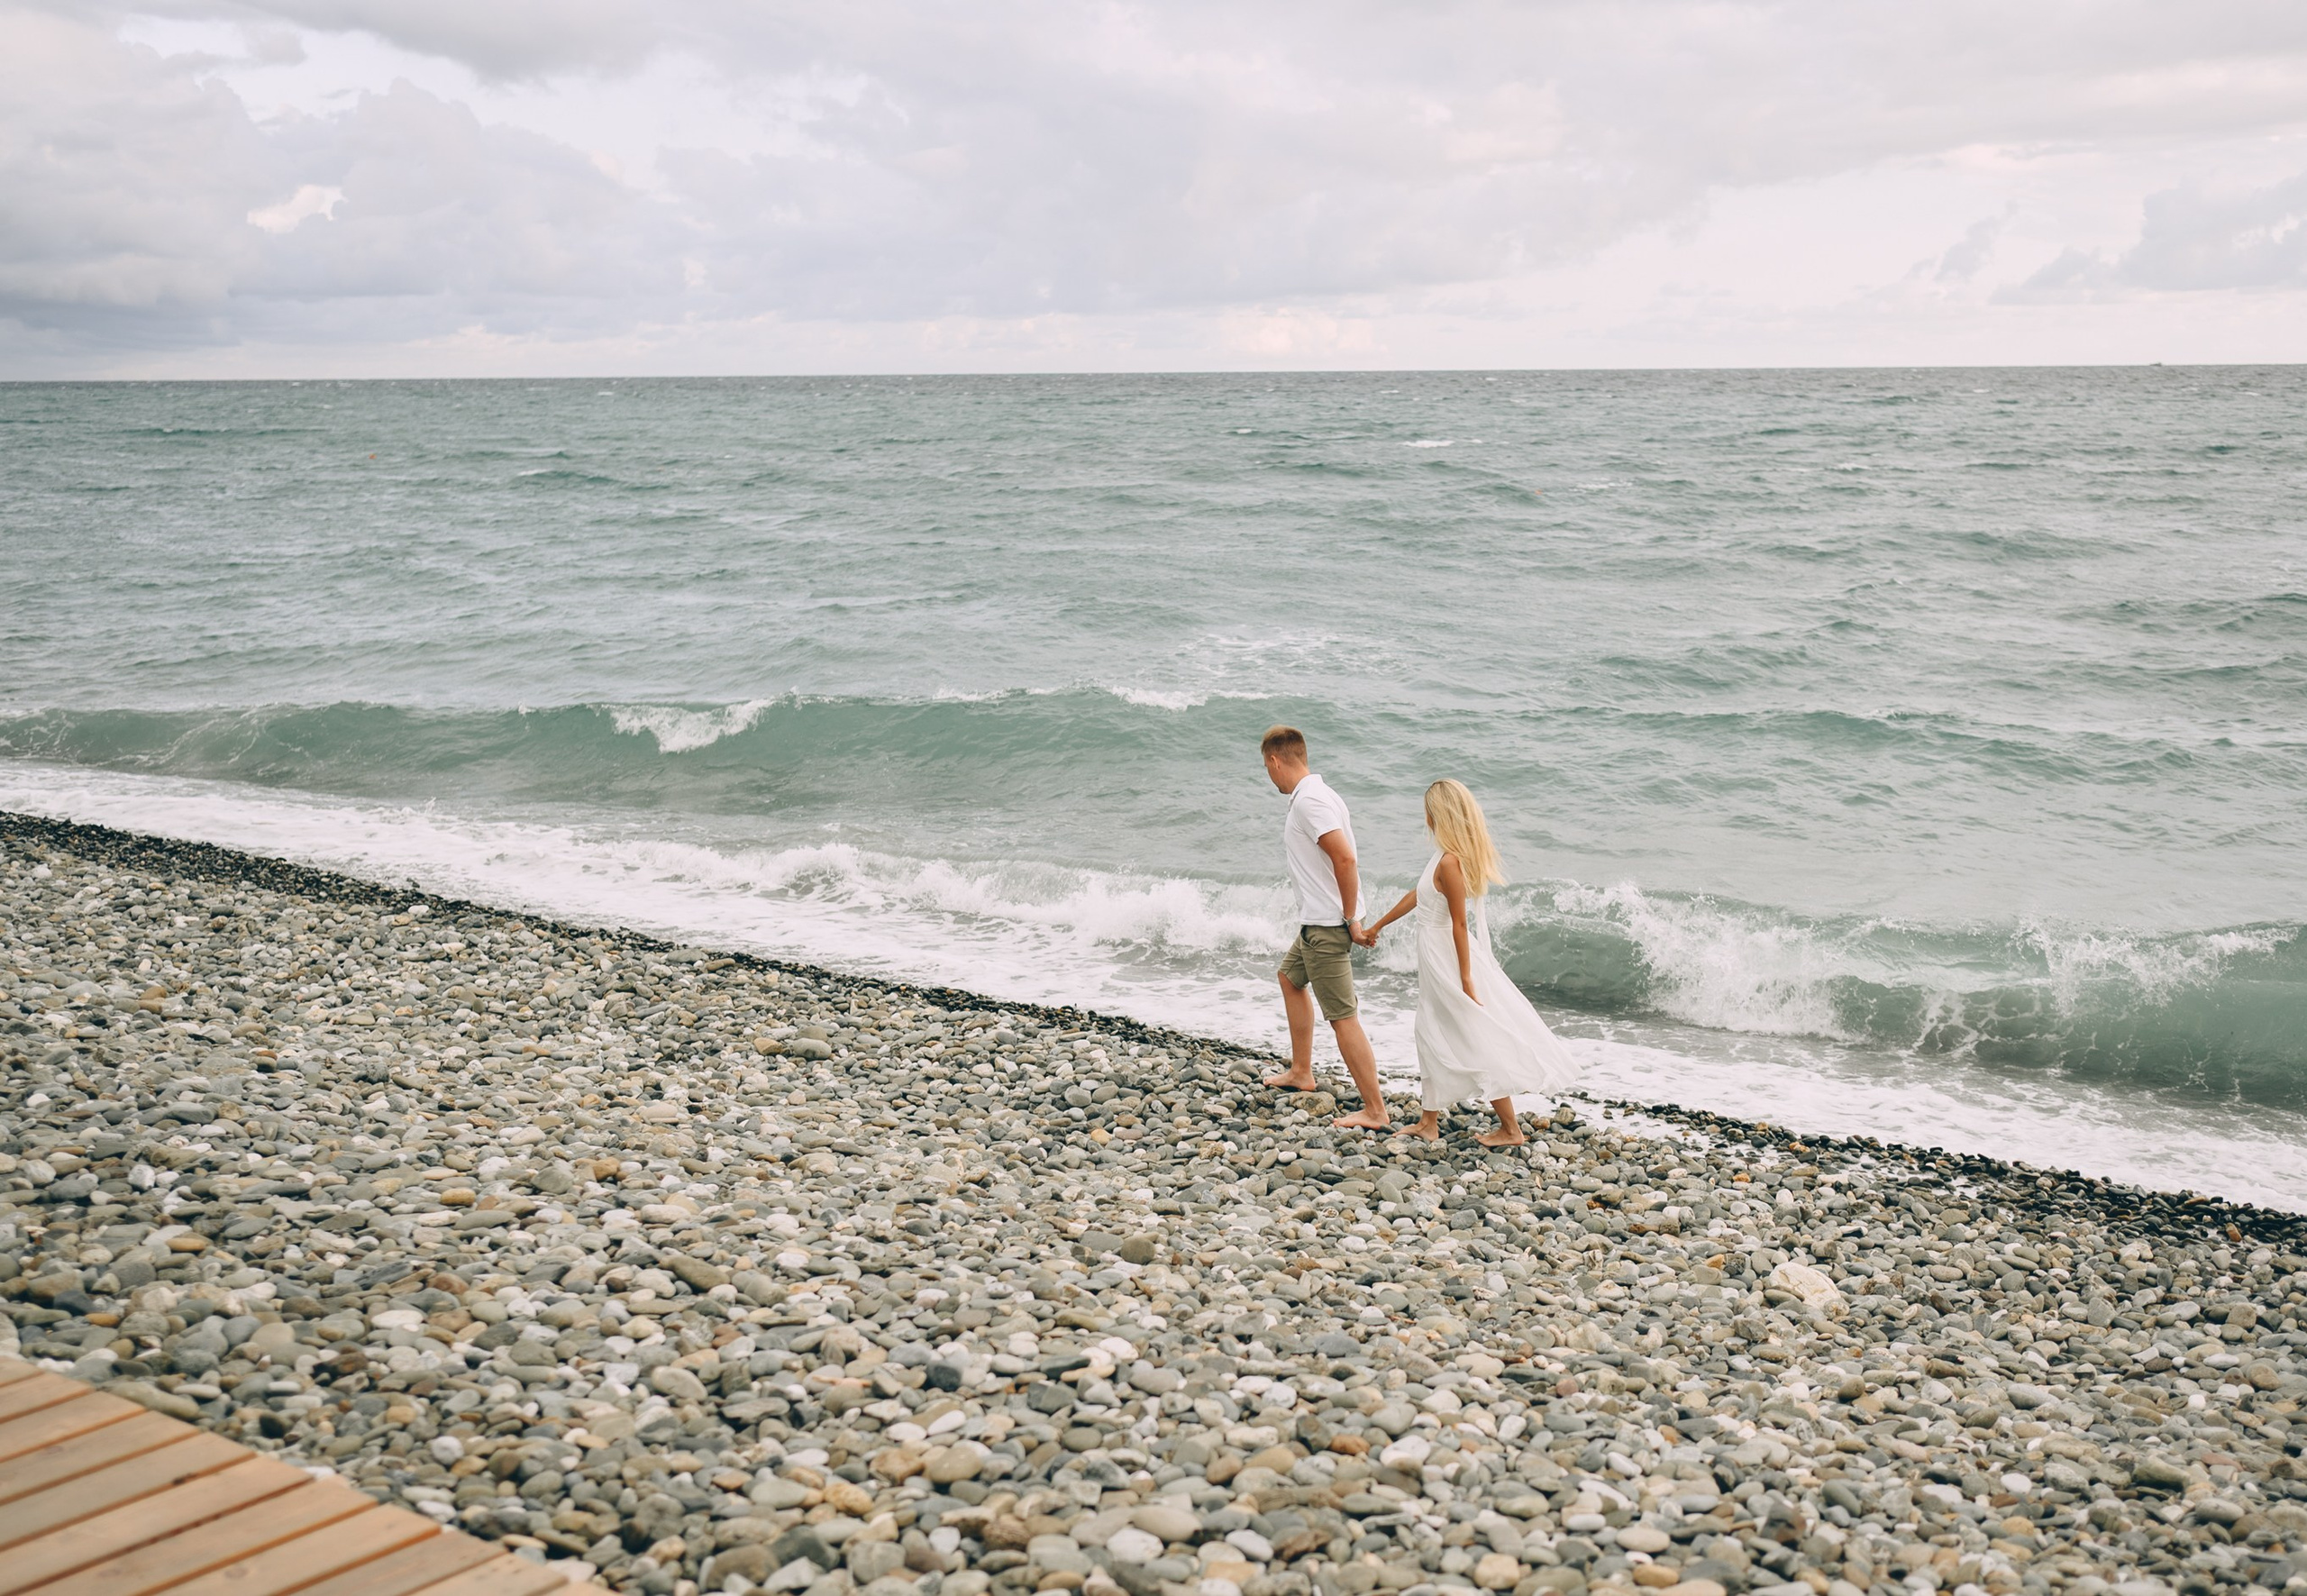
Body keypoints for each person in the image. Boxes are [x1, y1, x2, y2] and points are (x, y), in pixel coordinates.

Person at [1358, 778, 1579, 1145]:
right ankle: (1429, 1122)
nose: (1425, 818)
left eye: (1428, 811)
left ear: (1438, 815)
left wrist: (1465, 978)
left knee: (1472, 1035)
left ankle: (1510, 1129)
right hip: (1434, 954)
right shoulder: (1440, 857)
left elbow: (1460, 925)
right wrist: (1378, 925)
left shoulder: (1450, 862)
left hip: (1445, 956)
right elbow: (1418, 894)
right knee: (1429, 1030)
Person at [1259, 725, 1390, 1130]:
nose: (1269, 776)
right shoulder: (1320, 793)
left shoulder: (1310, 801)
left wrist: (1351, 919)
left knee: (1342, 1017)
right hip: (1316, 924)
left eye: (1267, 767)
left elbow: (1345, 859)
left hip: (1327, 927)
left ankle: (1375, 1109)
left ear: (1275, 761)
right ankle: (1301, 1071)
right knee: (1289, 978)